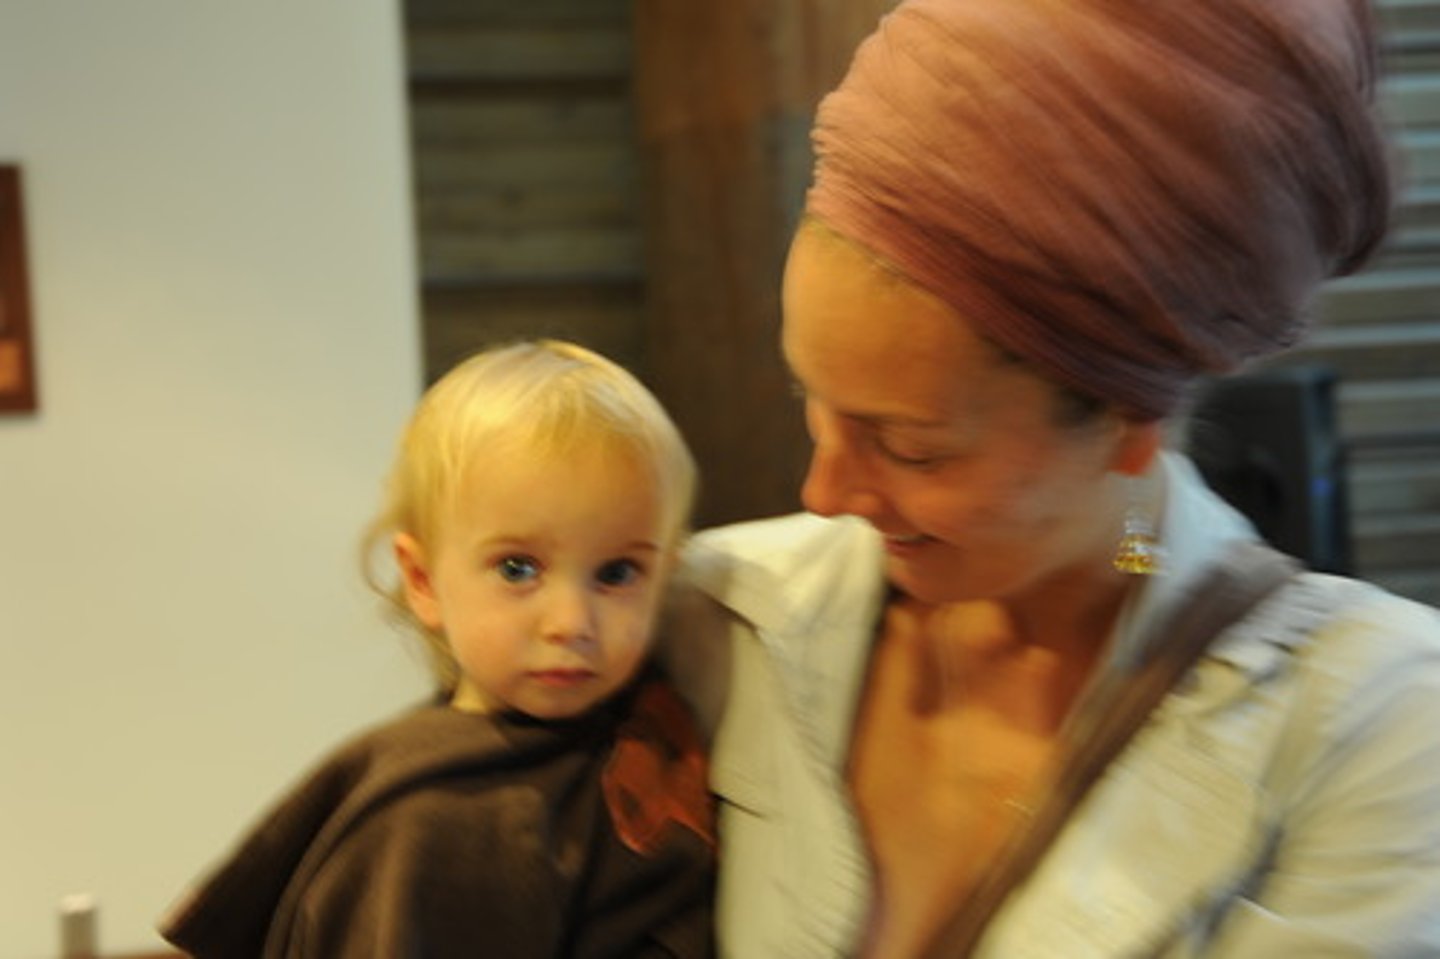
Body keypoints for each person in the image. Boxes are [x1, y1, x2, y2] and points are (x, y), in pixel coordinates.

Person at [661, 0, 1440, 956]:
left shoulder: (1373, 725)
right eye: (810, 400)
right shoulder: (717, 618)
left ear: (1126, 426)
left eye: (911, 447)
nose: (824, 494)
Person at [161, 340, 715, 958]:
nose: (571, 622)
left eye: (616, 573)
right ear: (423, 581)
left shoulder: (650, 710)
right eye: (517, 568)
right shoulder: (429, 820)